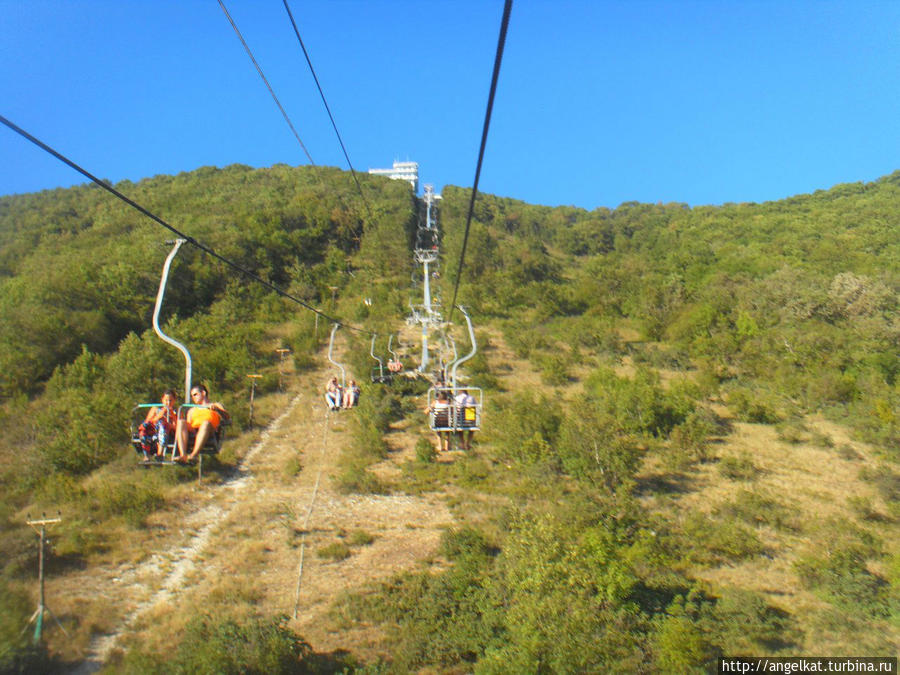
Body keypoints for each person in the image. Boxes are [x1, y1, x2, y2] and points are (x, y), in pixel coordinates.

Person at [175, 384, 229, 463]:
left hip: (209, 429)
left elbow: (227, 417)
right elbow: (188, 424)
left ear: (203, 393)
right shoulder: (192, 410)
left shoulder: (215, 405)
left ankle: (194, 455)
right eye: (192, 396)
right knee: (181, 422)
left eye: (195, 395)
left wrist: (217, 410)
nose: (193, 397)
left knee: (205, 423)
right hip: (195, 429)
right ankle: (183, 454)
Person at [137, 389, 177, 460]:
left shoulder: (176, 412)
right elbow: (149, 421)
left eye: (170, 400)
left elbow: (177, 426)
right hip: (154, 429)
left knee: (163, 425)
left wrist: (171, 415)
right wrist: (160, 415)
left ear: (174, 401)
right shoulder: (156, 409)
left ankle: (160, 454)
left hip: (167, 431)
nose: (168, 403)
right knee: (145, 427)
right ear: (162, 400)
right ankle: (146, 455)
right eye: (166, 400)